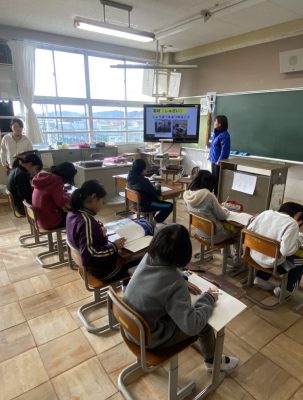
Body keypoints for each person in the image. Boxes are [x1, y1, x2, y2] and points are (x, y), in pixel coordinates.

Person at [123, 224, 239, 372]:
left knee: (183, 314)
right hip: (151, 338)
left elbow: (163, 275)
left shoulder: (149, 257)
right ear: (183, 254)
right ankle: (212, 361)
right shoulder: (174, 282)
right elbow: (192, 326)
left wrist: (183, 279)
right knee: (203, 323)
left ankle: (208, 355)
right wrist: (208, 297)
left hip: (131, 326)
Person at [66, 180, 137, 281]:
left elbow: (84, 239)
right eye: (102, 201)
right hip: (102, 271)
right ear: (94, 197)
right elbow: (90, 256)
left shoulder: (73, 213)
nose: (103, 204)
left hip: (89, 267)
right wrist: (114, 246)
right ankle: (129, 291)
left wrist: (100, 234)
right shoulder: (86, 222)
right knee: (141, 260)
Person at [247, 202, 303, 296]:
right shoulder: (292, 223)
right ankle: (286, 290)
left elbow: (249, 230)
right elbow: (286, 252)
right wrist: (298, 241)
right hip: (273, 264)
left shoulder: (266, 213)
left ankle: (260, 278)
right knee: (301, 261)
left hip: (252, 255)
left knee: (270, 249)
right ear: (299, 214)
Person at [183, 170, 238, 244]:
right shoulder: (209, 196)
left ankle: (226, 254)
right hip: (214, 235)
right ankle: (232, 255)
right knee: (238, 231)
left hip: (199, 231)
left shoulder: (187, 194)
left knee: (226, 226)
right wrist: (226, 211)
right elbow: (222, 216)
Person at [32, 161, 77, 230]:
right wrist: (68, 197)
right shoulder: (56, 180)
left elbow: (49, 193)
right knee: (77, 218)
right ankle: (74, 239)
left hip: (41, 219)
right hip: (51, 222)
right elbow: (60, 202)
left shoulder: (43, 177)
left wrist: (63, 194)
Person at [127, 158, 173, 223]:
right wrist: (158, 186)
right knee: (169, 206)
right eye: (145, 168)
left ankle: (148, 219)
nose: (146, 169)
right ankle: (154, 222)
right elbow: (156, 193)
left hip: (135, 204)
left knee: (154, 200)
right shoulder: (144, 181)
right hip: (146, 206)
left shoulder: (129, 177)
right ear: (142, 169)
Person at [209, 115, 230, 196]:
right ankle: (213, 197)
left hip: (218, 162)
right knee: (214, 179)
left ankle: (217, 198)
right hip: (213, 160)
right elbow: (213, 146)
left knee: (218, 181)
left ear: (220, 124)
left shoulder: (224, 135)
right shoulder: (216, 133)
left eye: (215, 121)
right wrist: (210, 156)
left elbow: (224, 150)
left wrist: (219, 161)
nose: (214, 123)